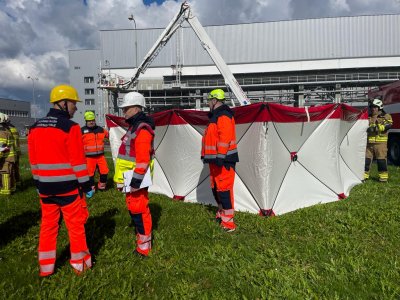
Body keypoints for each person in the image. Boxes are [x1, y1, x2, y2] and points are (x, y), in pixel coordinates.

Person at [28, 84, 93, 276]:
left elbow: (33, 162)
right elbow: (79, 162)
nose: (76, 107)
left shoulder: (34, 128)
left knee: (48, 227)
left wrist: (38, 185)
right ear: (63, 103)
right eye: (73, 103)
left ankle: (46, 268)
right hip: (68, 190)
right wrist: (87, 185)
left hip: (45, 190)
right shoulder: (70, 128)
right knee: (75, 227)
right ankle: (81, 265)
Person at [113, 92, 155, 257]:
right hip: (130, 179)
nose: (124, 112)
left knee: (139, 210)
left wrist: (135, 183)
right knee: (134, 209)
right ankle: (141, 238)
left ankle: (144, 247)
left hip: (135, 180)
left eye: (126, 109)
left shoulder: (141, 128)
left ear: (136, 108)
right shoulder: (135, 126)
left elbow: (143, 160)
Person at [201, 89, 239, 232]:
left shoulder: (223, 115)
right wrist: (204, 154)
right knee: (216, 188)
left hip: (223, 160)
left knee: (224, 190)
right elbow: (210, 138)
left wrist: (221, 156)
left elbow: (225, 138)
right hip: (215, 160)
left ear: (215, 100)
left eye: (209, 100)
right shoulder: (216, 116)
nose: (208, 103)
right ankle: (222, 214)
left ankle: (228, 224)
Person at [364, 98, 393, 182]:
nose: (373, 109)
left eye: (375, 107)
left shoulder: (386, 116)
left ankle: (383, 178)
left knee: (381, 161)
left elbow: (388, 125)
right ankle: (364, 176)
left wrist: (376, 128)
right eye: (372, 107)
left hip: (381, 144)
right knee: (366, 161)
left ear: (380, 107)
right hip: (369, 143)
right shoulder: (368, 117)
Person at [81, 111, 109, 194]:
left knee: (105, 171)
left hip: (100, 156)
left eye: (93, 120)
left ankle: (101, 186)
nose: (91, 122)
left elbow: (110, 136)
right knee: (90, 174)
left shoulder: (101, 129)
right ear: (86, 121)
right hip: (88, 157)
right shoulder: (81, 131)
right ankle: (91, 188)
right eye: (89, 120)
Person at [0, 112, 16, 195]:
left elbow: (1, 148)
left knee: (5, 173)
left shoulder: (1, 132)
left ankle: (5, 192)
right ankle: (12, 189)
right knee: (10, 173)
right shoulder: (6, 130)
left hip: (5, 158)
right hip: (9, 157)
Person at [4, 114, 21, 189]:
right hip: (16, 152)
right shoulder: (13, 128)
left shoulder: (6, 129)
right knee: (16, 169)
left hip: (9, 153)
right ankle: (18, 184)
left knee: (10, 170)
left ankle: (12, 186)